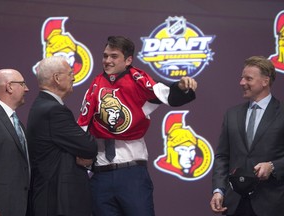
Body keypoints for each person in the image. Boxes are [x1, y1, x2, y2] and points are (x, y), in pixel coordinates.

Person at [77, 35, 197, 215]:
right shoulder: (95, 86)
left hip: (131, 174)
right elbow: (83, 127)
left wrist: (181, 87)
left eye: (114, 56)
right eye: (105, 56)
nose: (107, 60)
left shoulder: (140, 81)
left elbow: (168, 95)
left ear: (128, 60)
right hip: (100, 174)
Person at [210, 56, 284, 216]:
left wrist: (272, 166)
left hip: (273, 204)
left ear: (265, 81)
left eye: (248, 78)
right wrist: (218, 190)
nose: (242, 83)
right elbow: (222, 156)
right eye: (242, 78)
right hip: (234, 204)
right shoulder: (232, 114)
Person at [26, 56, 98, 216]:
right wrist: (83, 153)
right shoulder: (54, 111)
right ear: (57, 78)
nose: (74, 77)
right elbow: (89, 146)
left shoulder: (43, 106)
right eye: (70, 73)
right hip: (57, 202)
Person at [0, 69, 30, 216]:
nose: (27, 89)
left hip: (19, 206)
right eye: (22, 84)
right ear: (9, 87)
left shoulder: (17, 123)